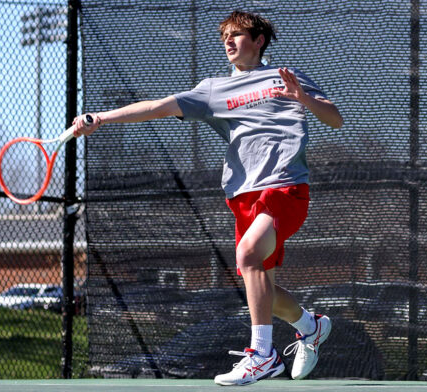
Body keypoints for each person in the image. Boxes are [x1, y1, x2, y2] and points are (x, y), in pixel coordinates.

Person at [73, 10, 343, 386]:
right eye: (225, 38)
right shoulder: (214, 90)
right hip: (242, 196)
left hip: (285, 187)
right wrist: (101, 117)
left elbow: (335, 119)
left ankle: (262, 356)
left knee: (248, 255)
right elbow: (158, 107)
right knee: (262, 284)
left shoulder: (286, 77)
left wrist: (303, 98)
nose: (229, 43)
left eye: (236, 35)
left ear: (258, 40)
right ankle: (310, 326)